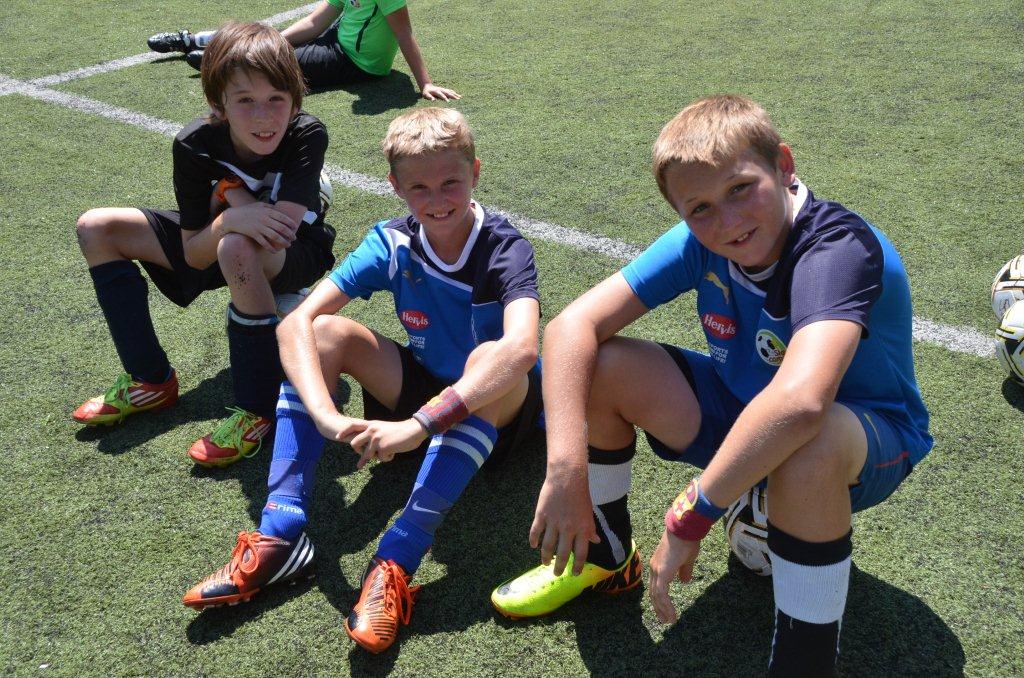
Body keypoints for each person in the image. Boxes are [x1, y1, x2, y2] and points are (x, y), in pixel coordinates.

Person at [490, 95, 932, 676]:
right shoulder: (702, 242)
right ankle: (604, 553)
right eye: (699, 208)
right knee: (600, 362)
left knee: (810, 439)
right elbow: (572, 326)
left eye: (741, 189)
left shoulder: (836, 247)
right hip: (746, 408)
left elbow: (801, 402)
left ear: (784, 165)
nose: (725, 221)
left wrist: (692, 515)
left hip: (867, 439)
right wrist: (566, 469)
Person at [182, 107, 542, 654]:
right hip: (422, 393)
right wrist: (327, 417)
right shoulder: (392, 242)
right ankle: (281, 533)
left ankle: (396, 559)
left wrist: (419, 426)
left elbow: (521, 350)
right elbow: (298, 323)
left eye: (451, 182)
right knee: (324, 332)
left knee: (492, 356)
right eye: (419, 188)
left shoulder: (503, 247)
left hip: (497, 413)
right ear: (395, 186)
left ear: (475, 172)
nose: (437, 199)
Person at [73, 22, 336, 467]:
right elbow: (194, 254)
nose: (263, 116)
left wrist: (228, 193)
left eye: (276, 99)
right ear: (218, 104)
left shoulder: (306, 134)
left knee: (237, 246)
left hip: (292, 252)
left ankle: (257, 409)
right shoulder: (194, 143)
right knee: (97, 227)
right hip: (221, 236)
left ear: (295, 101)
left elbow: (279, 232)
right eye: (245, 100)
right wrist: (231, 214)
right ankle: (150, 380)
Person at [148, 1, 460, 101]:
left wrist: (425, 83)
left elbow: (404, 32)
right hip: (337, 36)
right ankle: (194, 40)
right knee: (271, 40)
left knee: (277, 65)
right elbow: (314, 22)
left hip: (354, 61)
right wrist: (268, 40)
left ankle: (230, 60)